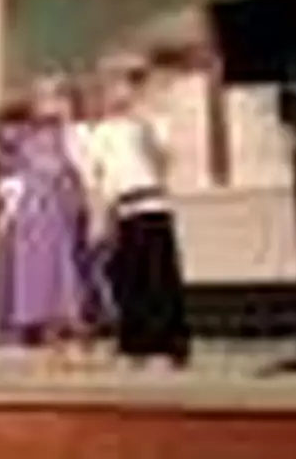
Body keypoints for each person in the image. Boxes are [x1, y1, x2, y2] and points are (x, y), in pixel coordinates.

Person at [89, 56, 190, 369]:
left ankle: (168, 344)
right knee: (127, 279)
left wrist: (142, 124)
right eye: (110, 87)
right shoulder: (102, 132)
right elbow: (100, 178)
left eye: (124, 85)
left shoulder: (154, 122)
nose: (116, 93)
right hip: (123, 210)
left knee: (158, 278)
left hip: (152, 206)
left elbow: (162, 163)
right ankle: (134, 344)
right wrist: (101, 218)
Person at [0, 74, 89, 357]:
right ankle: (36, 321)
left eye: (56, 98)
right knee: (33, 267)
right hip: (32, 211)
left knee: (62, 265)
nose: (49, 105)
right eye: (43, 98)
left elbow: (78, 170)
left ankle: (66, 322)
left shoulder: (72, 134)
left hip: (59, 208)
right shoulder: (25, 136)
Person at [0, 98, 31, 346]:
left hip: (29, 215)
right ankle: (1, 325)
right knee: (3, 268)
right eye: (7, 127)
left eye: (17, 127)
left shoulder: (31, 152)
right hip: (5, 214)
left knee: (25, 270)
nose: (11, 133)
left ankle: (22, 325)